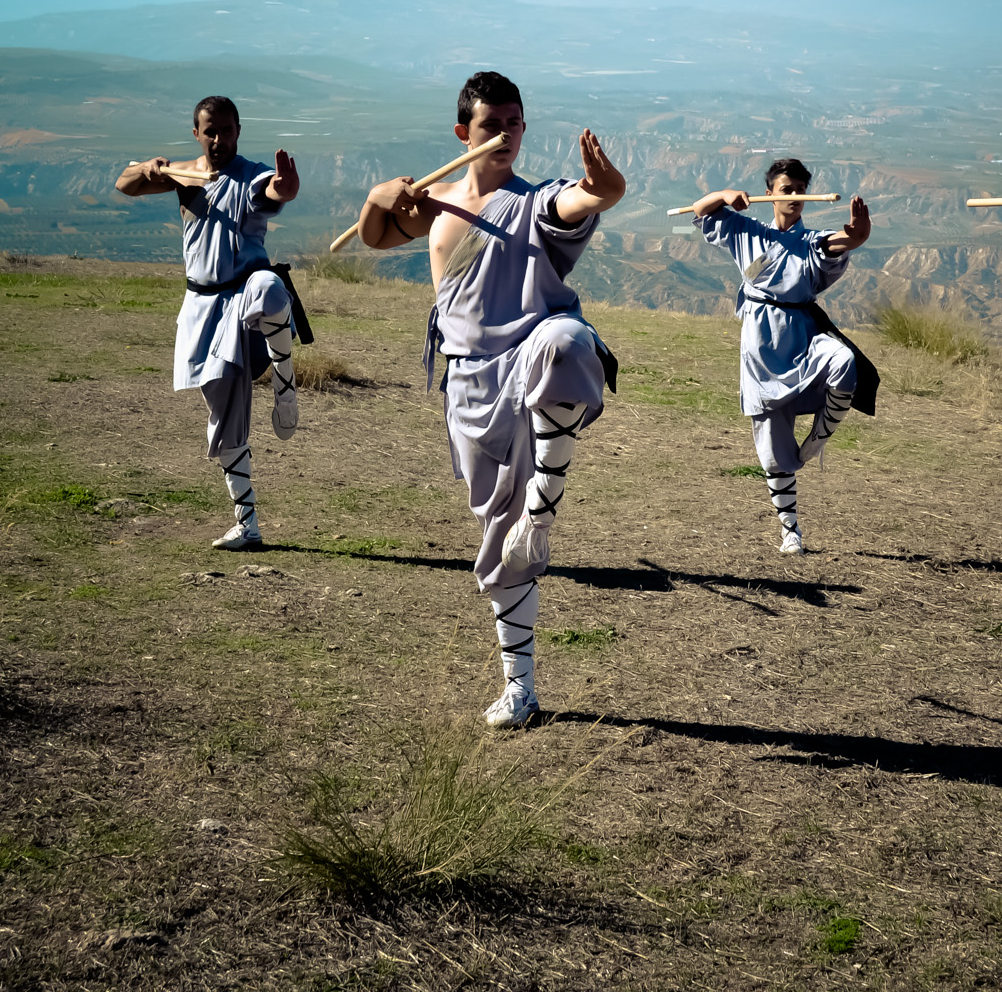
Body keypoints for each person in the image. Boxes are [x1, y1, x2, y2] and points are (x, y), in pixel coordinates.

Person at [355, 71, 626, 729]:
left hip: (527, 361)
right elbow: (374, 236)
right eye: (490, 124)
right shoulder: (436, 204)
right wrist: (377, 196)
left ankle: (543, 506)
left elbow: (590, 197)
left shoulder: (535, 202)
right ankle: (520, 689)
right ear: (463, 132)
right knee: (502, 542)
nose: (505, 134)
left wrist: (603, 186)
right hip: (468, 386)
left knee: (566, 342)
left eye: (514, 123)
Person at [115, 96, 310, 552]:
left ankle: (285, 385)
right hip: (202, 308)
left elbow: (273, 191)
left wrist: (285, 186)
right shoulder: (186, 175)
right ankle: (247, 524)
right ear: (197, 133)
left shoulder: (251, 175)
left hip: (244, 293)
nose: (219, 139)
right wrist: (151, 168)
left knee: (270, 288)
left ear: (238, 130)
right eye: (210, 131)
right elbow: (125, 184)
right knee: (224, 419)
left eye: (226, 130)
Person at [690, 159, 877, 553]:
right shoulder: (747, 231)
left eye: (800, 190)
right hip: (760, 346)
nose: (794, 196)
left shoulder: (812, 241)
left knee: (844, 362)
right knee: (774, 449)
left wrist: (856, 235)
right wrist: (724, 195)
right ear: (770, 194)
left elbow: (840, 242)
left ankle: (817, 441)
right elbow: (700, 209)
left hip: (803, 335)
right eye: (786, 189)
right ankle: (790, 529)